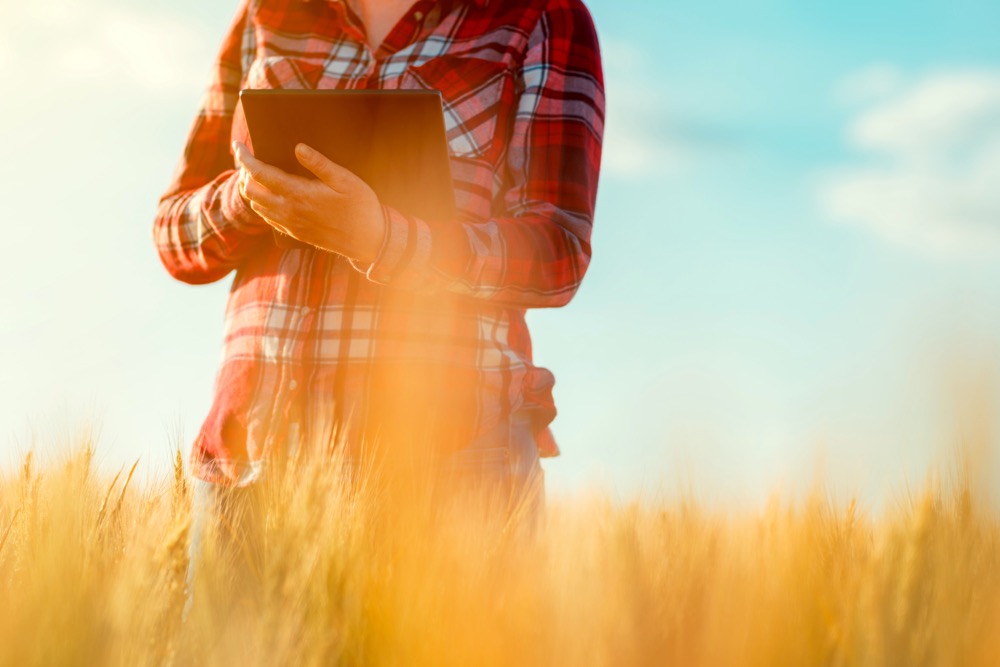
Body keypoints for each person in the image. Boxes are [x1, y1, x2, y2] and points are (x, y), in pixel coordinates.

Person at [156, 0, 604, 612]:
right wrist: (249, 193)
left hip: (452, 468)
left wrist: (384, 239)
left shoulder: (540, 18)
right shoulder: (269, 15)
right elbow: (174, 237)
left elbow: (557, 252)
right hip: (252, 468)